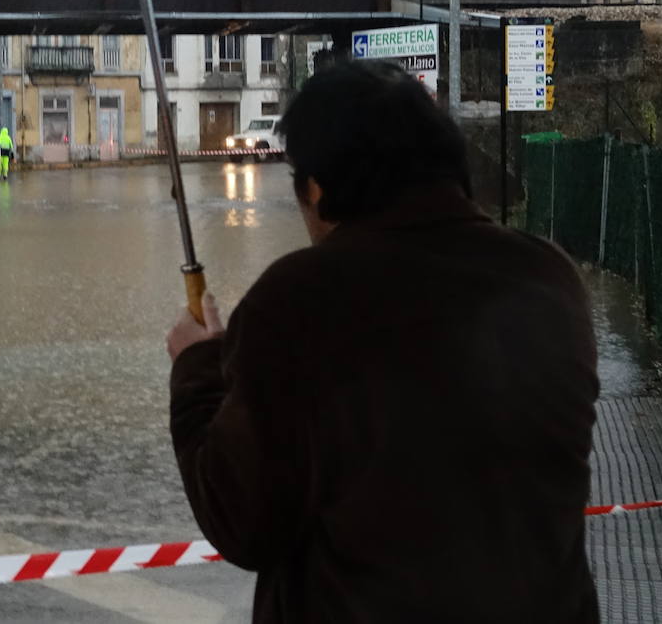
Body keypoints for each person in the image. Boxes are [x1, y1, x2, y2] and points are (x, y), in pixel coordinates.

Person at [166, 60, 598, 624]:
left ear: (317, 189)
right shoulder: (551, 278)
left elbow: (242, 520)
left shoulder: (298, 300)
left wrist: (199, 368)